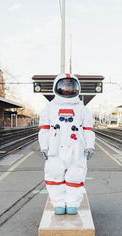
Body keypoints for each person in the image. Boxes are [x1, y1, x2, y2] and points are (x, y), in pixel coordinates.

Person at [38, 73, 95, 215]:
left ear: (76, 87)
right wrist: (43, 146)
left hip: (76, 148)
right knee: (54, 174)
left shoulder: (82, 109)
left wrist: (90, 145)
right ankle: (58, 203)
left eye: (70, 85)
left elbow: (88, 130)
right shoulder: (49, 108)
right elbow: (44, 130)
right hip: (54, 147)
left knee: (75, 175)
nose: (67, 88)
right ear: (57, 87)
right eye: (64, 85)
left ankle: (72, 204)